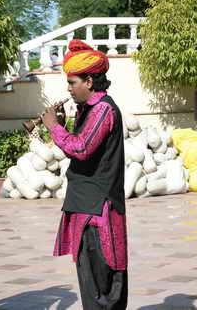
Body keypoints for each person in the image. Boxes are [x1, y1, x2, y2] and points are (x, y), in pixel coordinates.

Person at [42, 39, 128, 310]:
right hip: (86, 206)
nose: (69, 89)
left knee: (103, 283)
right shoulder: (89, 109)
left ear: (90, 81)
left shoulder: (103, 109)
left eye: (72, 82)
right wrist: (64, 123)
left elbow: (80, 148)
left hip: (98, 211)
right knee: (90, 282)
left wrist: (54, 127)